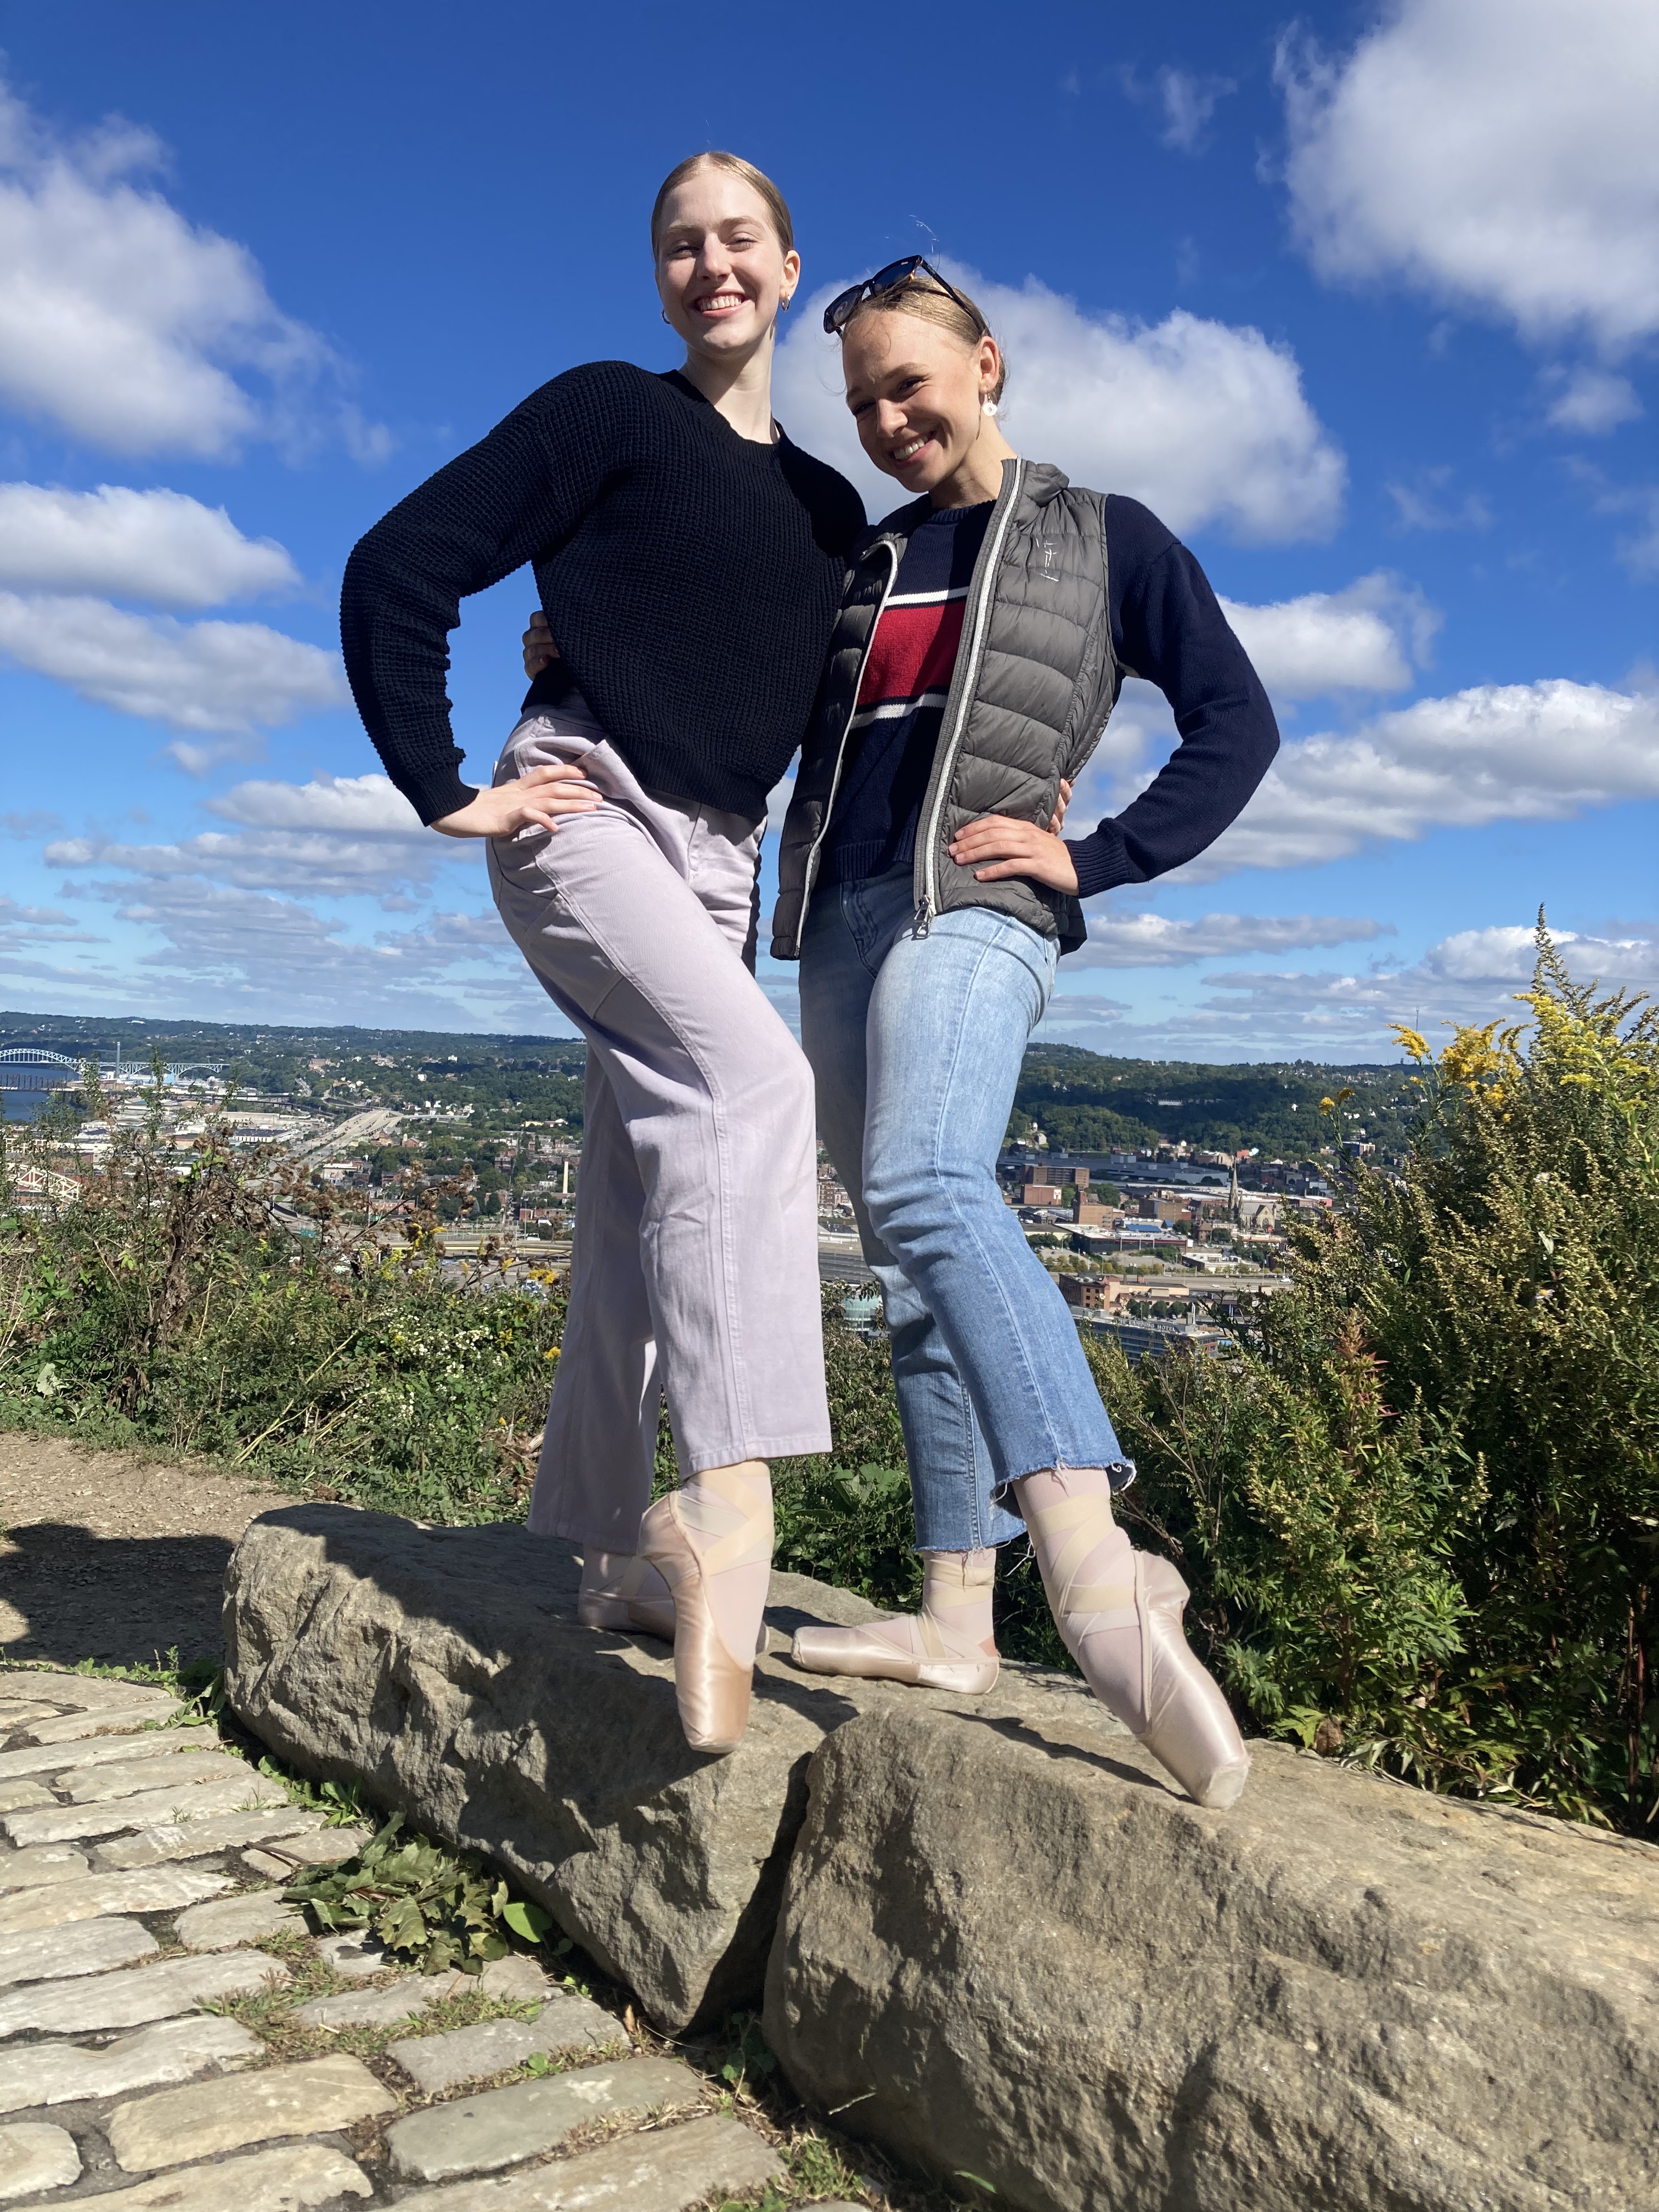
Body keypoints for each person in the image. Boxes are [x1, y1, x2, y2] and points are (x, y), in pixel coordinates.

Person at [340, 152, 865, 1758]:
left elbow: (827, 707)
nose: (714, 266)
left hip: (722, 860)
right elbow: (399, 564)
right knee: (756, 1093)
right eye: (681, 245)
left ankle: (612, 1551)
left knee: (643, 1188)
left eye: (740, 239)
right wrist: (445, 788)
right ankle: (725, 1512)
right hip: (585, 809)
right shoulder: (606, 413)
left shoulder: (831, 511)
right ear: (659, 277)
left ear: (789, 267)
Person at [772, 261, 1280, 1810]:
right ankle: (954, 1619)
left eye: (909, 385)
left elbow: (1238, 721)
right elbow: (743, 695)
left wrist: (1099, 856)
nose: (885, 420)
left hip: (982, 903)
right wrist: (573, 658)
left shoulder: (1105, 536)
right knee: (903, 1260)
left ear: (985, 364)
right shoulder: (864, 559)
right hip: (844, 916)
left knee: (928, 1183)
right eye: (862, 401)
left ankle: (1098, 1571)